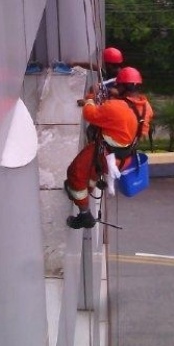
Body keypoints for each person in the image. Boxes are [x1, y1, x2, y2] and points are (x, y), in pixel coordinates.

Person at [65, 67, 153, 229]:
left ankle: (85, 215)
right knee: (91, 174)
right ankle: (89, 186)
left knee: (75, 173)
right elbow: (138, 126)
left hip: (103, 154)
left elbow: (89, 113)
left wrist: (91, 96)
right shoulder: (146, 107)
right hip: (123, 158)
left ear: (122, 87)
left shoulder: (116, 107)